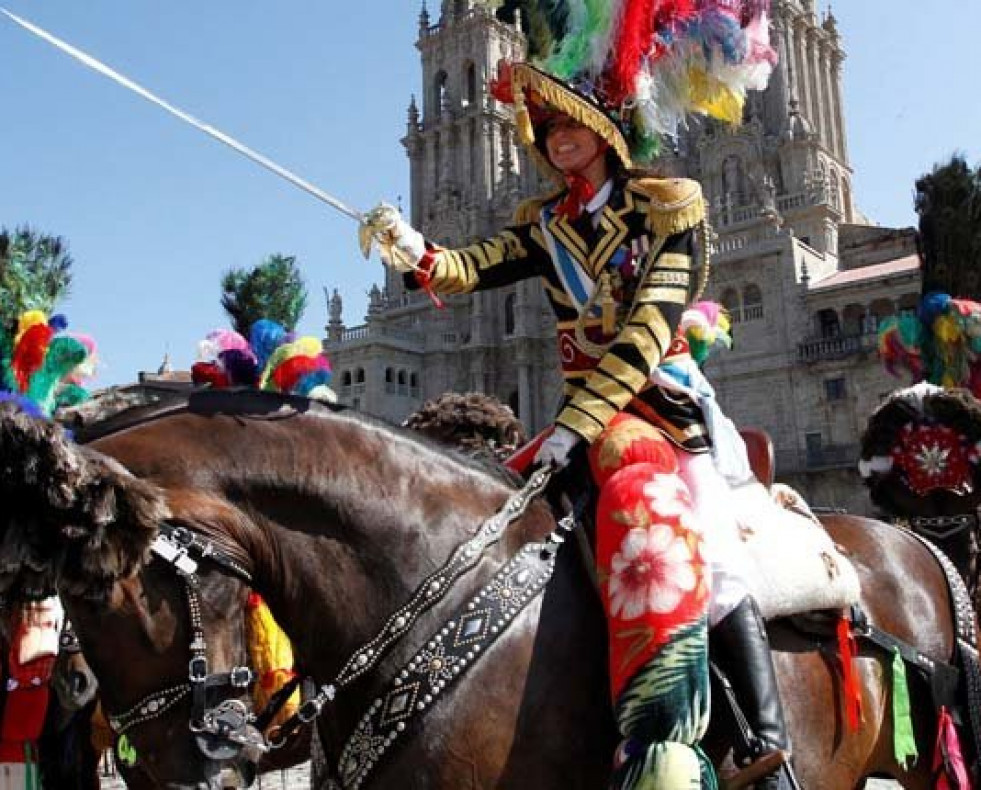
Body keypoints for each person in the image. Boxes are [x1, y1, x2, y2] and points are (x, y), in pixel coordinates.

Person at [363, 5, 787, 786]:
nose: (558, 138)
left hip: (660, 410)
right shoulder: (545, 227)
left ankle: (757, 739)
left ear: (608, 126)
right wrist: (412, 249)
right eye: (547, 126)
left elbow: (644, 334)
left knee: (711, 561)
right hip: (577, 422)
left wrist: (576, 425)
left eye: (574, 123)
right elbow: (469, 266)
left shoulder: (669, 210)